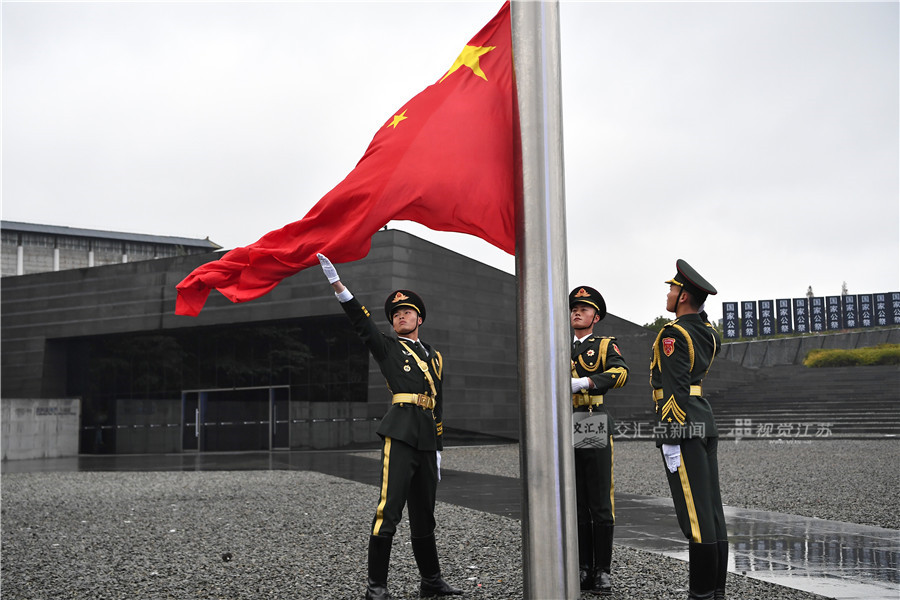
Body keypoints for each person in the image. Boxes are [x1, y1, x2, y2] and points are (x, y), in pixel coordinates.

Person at [317, 253, 461, 600]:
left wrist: (439, 447)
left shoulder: (435, 357)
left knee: (425, 514)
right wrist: (338, 286)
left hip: (427, 439)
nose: (401, 317)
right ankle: (376, 588)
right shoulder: (387, 347)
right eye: (396, 314)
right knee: (389, 509)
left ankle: (431, 581)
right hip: (400, 433)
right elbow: (362, 323)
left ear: (419, 318)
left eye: (407, 312)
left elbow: (438, 403)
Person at [650, 260, 727, 600]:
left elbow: (675, 387)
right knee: (711, 510)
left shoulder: (673, 334)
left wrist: (669, 437)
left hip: (682, 427)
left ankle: (701, 593)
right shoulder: (708, 333)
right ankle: (716, 590)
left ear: (683, 296)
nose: (668, 293)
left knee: (694, 515)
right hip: (702, 420)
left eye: (672, 288)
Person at [569, 286, 629, 596]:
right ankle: (582, 566)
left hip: (590, 418)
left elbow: (621, 373)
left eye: (584, 308)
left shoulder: (603, 345)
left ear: (596, 317)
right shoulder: (559, 346)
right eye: (574, 308)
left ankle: (602, 570)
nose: (577, 312)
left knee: (598, 497)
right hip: (564, 421)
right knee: (576, 498)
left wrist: (586, 381)